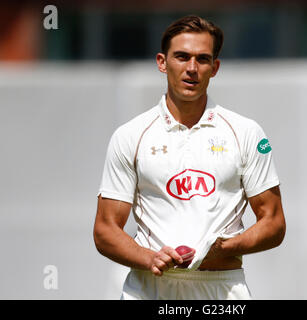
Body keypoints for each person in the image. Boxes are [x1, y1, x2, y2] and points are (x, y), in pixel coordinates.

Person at [93, 15, 286, 300]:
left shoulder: (246, 132)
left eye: (202, 59)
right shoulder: (130, 135)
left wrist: (223, 248)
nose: (192, 68)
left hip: (222, 287)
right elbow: (105, 229)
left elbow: (274, 222)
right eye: (182, 57)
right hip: (149, 288)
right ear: (162, 62)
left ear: (215, 67)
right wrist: (150, 258)